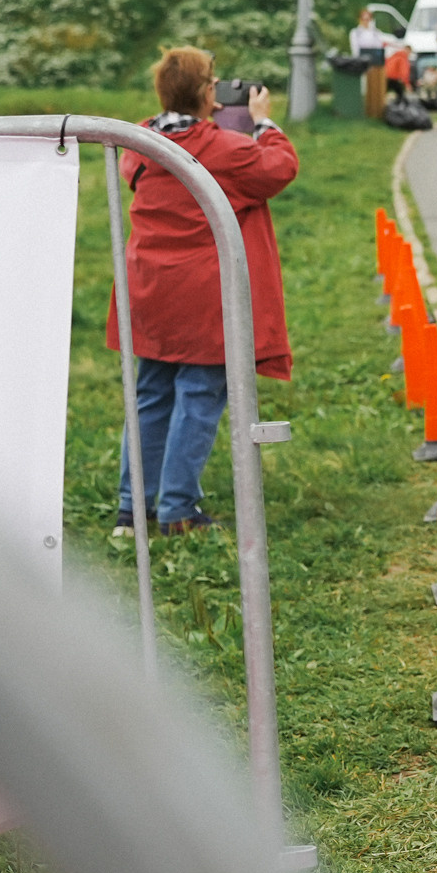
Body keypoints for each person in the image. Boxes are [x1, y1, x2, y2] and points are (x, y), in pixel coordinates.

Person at [108, 47, 299, 536]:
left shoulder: (140, 141)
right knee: (198, 394)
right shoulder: (224, 151)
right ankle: (177, 509)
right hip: (204, 295)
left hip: (150, 288)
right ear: (208, 92)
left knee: (150, 394)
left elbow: (140, 170)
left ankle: (133, 508)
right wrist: (263, 123)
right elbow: (278, 168)